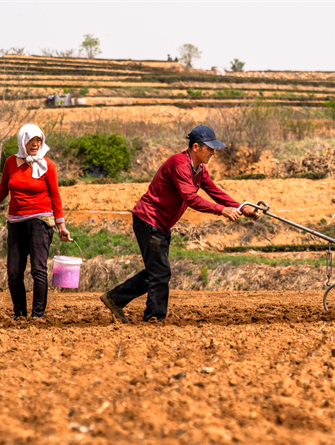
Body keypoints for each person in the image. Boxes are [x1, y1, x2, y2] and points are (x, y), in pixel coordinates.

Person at [100, 125, 259, 323]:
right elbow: (191, 198)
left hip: (161, 224)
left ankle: (115, 298)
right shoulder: (180, 165)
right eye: (209, 148)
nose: (213, 153)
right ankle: (154, 319)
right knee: (160, 272)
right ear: (195, 148)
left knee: (156, 271)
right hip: (149, 219)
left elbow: (215, 192)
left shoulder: (199, 170)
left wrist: (242, 208)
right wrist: (221, 210)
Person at [0, 123, 72, 320]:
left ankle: (37, 316)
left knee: (38, 269)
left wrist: (61, 224)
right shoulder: (11, 162)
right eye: (31, 140)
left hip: (40, 221)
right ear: (22, 141)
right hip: (15, 222)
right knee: (13, 272)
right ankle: (19, 314)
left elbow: (55, 195)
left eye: (38, 140)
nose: (35, 144)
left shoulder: (48, 165)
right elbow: (3, 190)